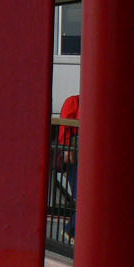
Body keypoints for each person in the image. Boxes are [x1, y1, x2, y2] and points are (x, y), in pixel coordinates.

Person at [54, 93, 80, 239]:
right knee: (82, 196)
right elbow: (65, 127)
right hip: (75, 154)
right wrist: (67, 149)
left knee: (81, 196)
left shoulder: (75, 101)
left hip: (78, 152)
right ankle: (71, 231)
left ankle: (72, 231)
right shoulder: (75, 101)